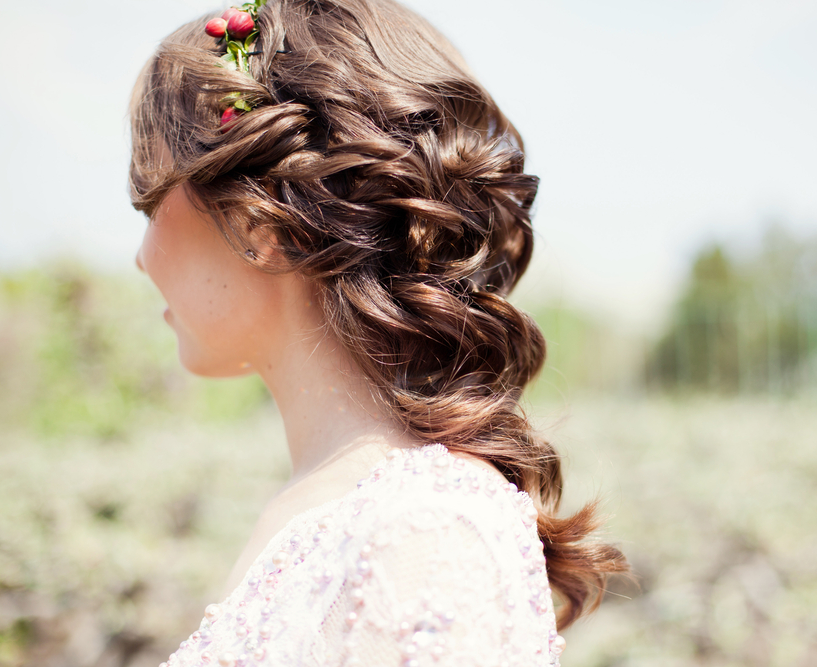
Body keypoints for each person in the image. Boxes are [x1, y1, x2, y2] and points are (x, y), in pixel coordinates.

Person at [130, 1, 627, 665]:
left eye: (150, 205)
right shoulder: (340, 511)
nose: (140, 256)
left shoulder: (427, 533)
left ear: (260, 222)